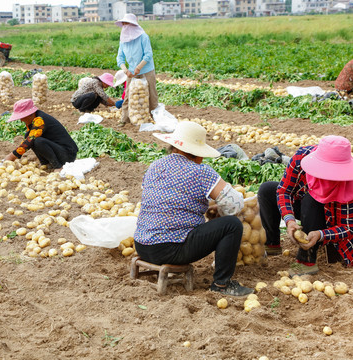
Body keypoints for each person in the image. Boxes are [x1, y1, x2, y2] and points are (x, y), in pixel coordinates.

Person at [134, 121, 253, 297]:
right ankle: (222, 284)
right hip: (171, 250)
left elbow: (164, 200)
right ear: (197, 153)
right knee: (232, 225)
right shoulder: (201, 172)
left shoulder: (155, 166)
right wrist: (218, 205)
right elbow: (235, 204)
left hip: (142, 245)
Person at [258, 135, 353, 276]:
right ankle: (272, 243)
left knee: (311, 199)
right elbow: (284, 191)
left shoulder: (349, 181)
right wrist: (289, 220)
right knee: (266, 190)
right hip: (306, 208)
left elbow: (348, 227)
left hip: (330, 220)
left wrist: (320, 234)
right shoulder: (300, 159)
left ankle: (307, 259)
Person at [4, 99, 78, 169]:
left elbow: (30, 140)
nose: (21, 120)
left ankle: (58, 166)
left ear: (31, 114)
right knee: (28, 136)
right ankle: (45, 163)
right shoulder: (34, 119)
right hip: (58, 150)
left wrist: (12, 156)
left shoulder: (40, 120)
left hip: (68, 154)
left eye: (22, 117)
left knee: (38, 141)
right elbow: (29, 138)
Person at [115, 13, 158, 126]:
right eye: (123, 24)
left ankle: (155, 118)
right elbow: (120, 58)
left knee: (151, 95)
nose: (125, 27)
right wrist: (125, 70)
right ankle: (124, 119)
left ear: (132, 24)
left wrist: (139, 67)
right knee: (128, 94)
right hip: (131, 72)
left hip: (146, 69)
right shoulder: (123, 40)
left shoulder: (143, 37)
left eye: (126, 24)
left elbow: (148, 55)